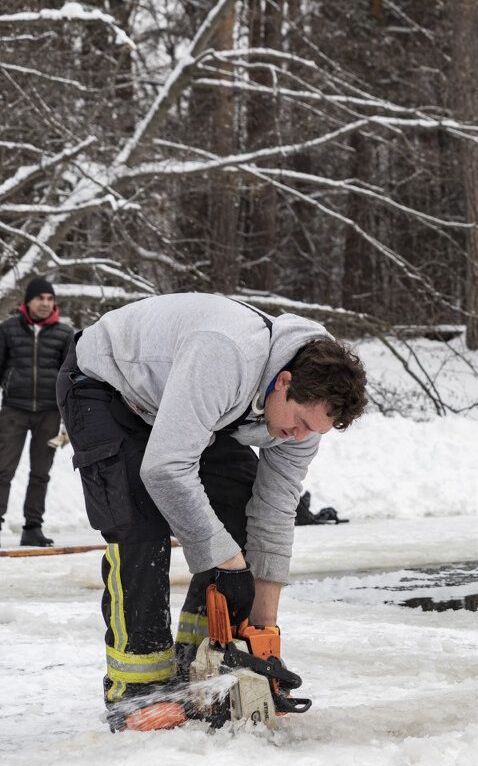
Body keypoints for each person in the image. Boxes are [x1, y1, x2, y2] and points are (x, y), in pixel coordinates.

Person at [56, 293, 368, 731]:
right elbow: (165, 468)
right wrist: (228, 562)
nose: (298, 438)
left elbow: (276, 508)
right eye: (297, 423)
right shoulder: (225, 355)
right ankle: (138, 693)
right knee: (140, 532)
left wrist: (264, 633)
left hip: (195, 405)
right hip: (107, 386)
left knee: (236, 521)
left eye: (311, 432)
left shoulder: (307, 415)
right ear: (282, 381)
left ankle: (201, 668)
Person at [0, 276, 74, 548]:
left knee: (40, 473)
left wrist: (68, 418)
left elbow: (70, 376)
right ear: (28, 301)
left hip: (49, 413)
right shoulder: (7, 330)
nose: (45, 303)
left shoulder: (64, 334)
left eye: (49, 299)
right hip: (14, 410)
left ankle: (33, 527)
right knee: (2, 469)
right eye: (40, 298)